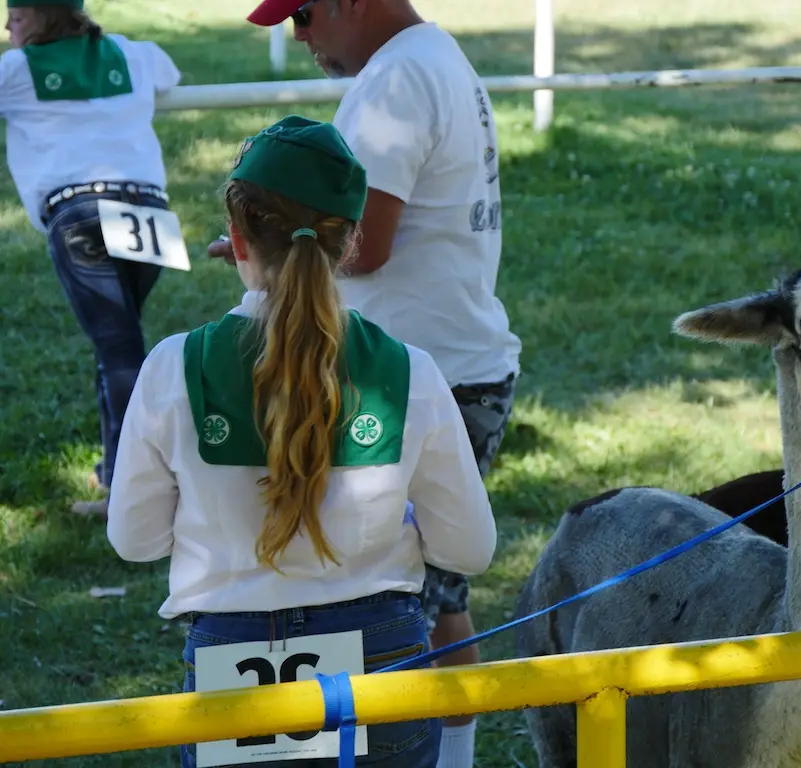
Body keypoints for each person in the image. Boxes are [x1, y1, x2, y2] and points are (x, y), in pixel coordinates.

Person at [106, 115, 497, 768]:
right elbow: (470, 549)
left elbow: (135, 539)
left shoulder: (174, 366)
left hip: (228, 664)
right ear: (347, 244)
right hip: (385, 665)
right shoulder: (410, 371)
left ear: (236, 237)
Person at [210, 2, 522, 765]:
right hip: (444, 369)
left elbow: (365, 248)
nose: (301, 36)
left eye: (307, 14)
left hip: (413, 381)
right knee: (431, 598)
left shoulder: (395, 81)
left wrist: (272, 254)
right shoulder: (429, 56)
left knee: (387, 600)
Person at [0, 0, 181, 516]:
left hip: (81, 212)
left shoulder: (15, 70)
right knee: (120, 347)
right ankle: (119, 474)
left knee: (120, 351)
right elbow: (171, 71)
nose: (9, 23)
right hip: (150, 208)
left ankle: (139, 493)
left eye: (20, 13)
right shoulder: (131, 53)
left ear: (49, 15)